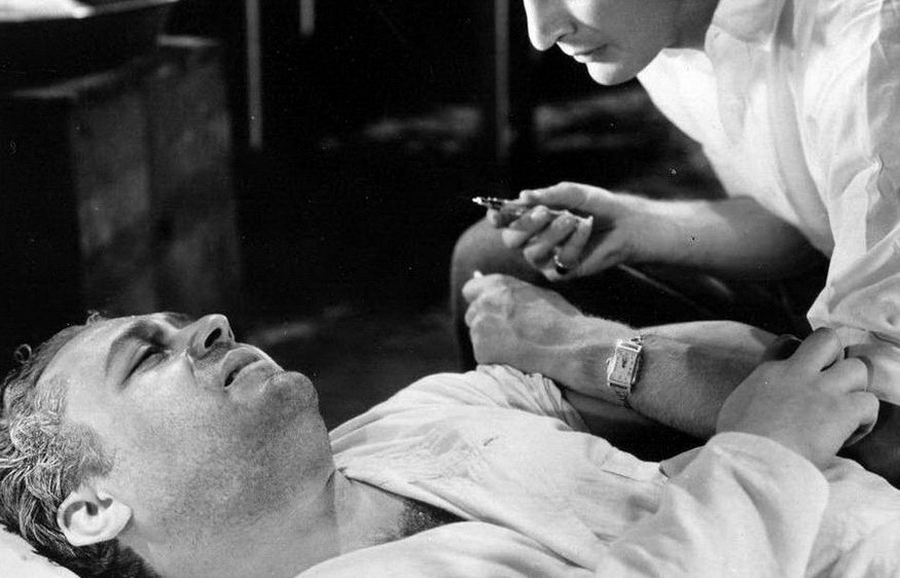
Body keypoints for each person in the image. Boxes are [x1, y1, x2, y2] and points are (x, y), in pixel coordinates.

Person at [433, 0, 900, 481]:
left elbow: (875, 414)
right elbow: (806, 223)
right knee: (499, 256)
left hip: (883, 392)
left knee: (542, 345)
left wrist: (575, 346)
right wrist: (638, 227)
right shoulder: (672, 2)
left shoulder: (876, 30)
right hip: (857, 316)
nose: (541, 34)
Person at [0, 311, 893, 578]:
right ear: (93, 507)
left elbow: (595, 364)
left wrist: (571, 341)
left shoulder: (412, 417)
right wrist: (766, 447)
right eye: (145, 357)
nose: (209, 325)